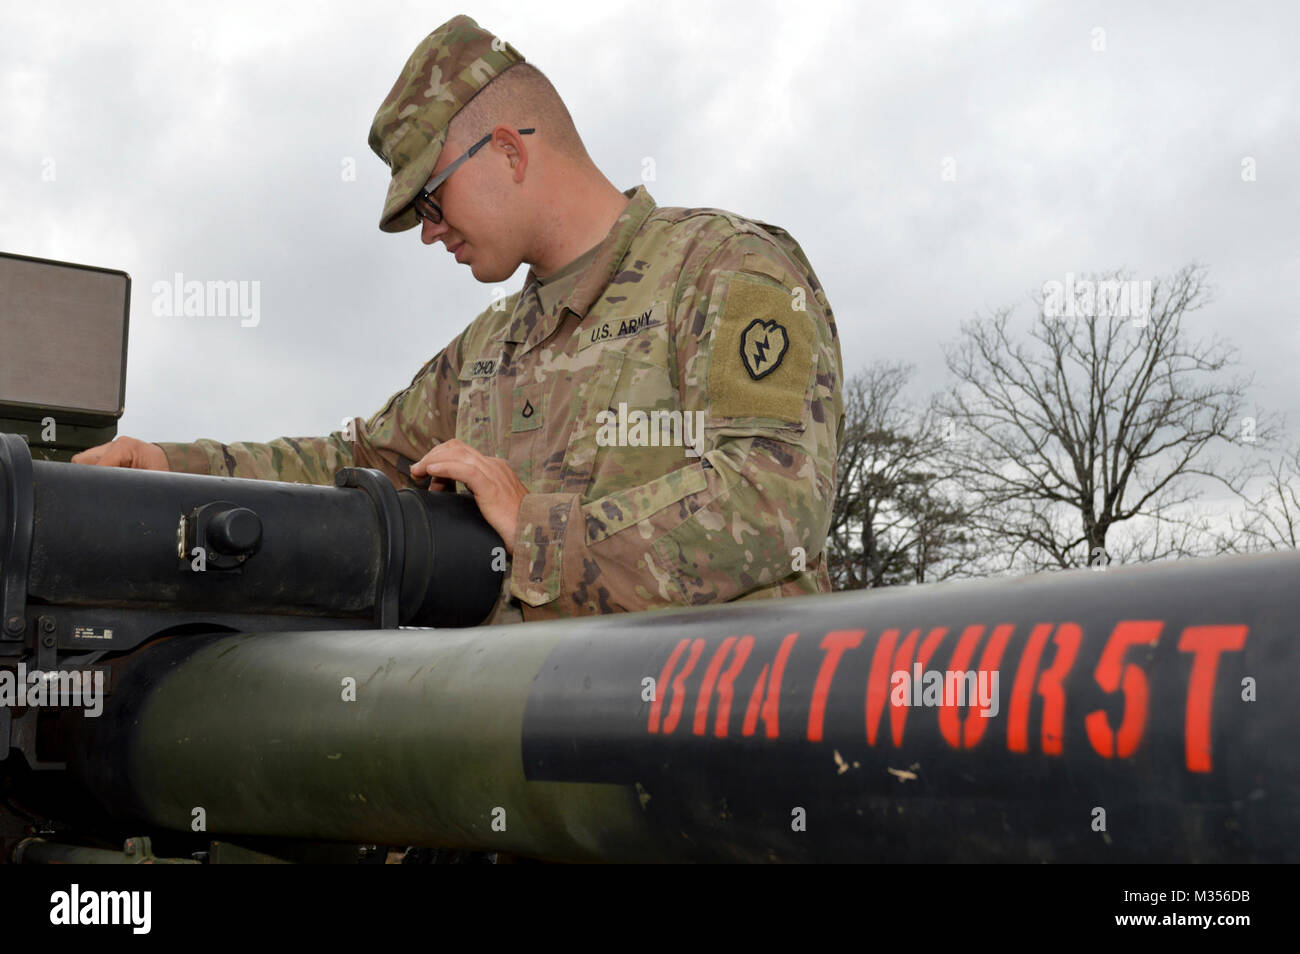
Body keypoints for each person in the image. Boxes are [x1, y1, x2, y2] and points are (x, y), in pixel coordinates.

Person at [74, 14, 844, 625]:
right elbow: (355, 459)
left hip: (705, 776)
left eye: (432, 202)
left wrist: (536, 530)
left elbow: (775, 504)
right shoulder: (488, 350)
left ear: (508, 151)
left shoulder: (723, 271)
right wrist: (172, 470)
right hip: (526, 769)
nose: (430, 232)